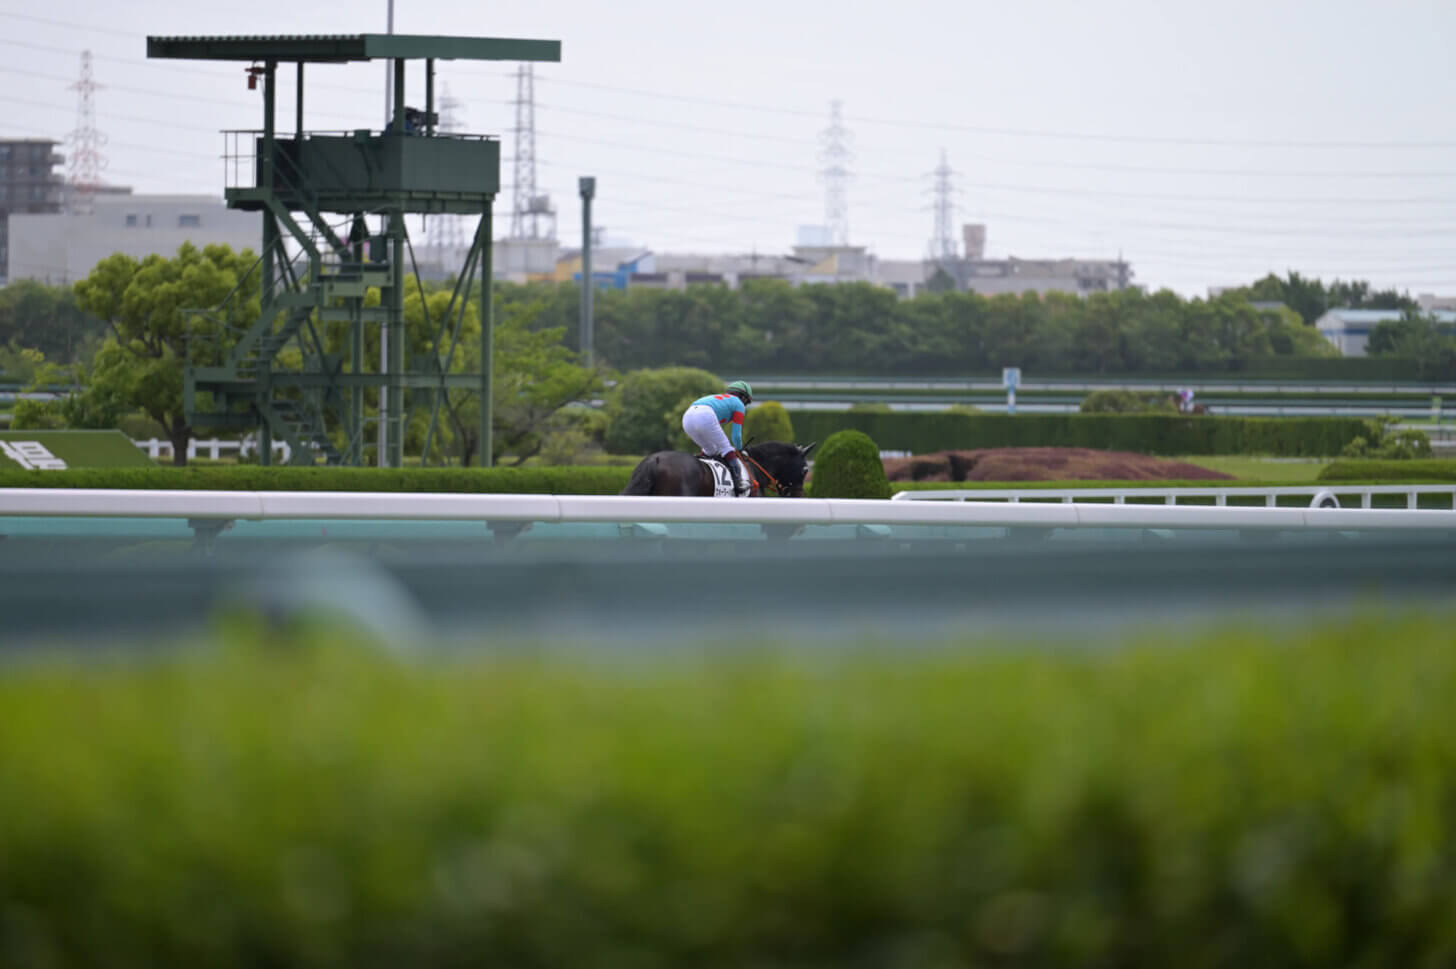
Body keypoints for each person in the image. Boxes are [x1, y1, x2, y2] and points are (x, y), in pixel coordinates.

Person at [681, 380, 755, 497]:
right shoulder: (739, 404)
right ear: (743, 397)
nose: (745, 405)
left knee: (710, 450)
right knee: (727, 448)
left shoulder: (721, 400)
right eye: (747, 402)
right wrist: (740, 449)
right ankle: (739, 484)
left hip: (687, 418)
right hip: (705, 415)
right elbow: (736, 435)